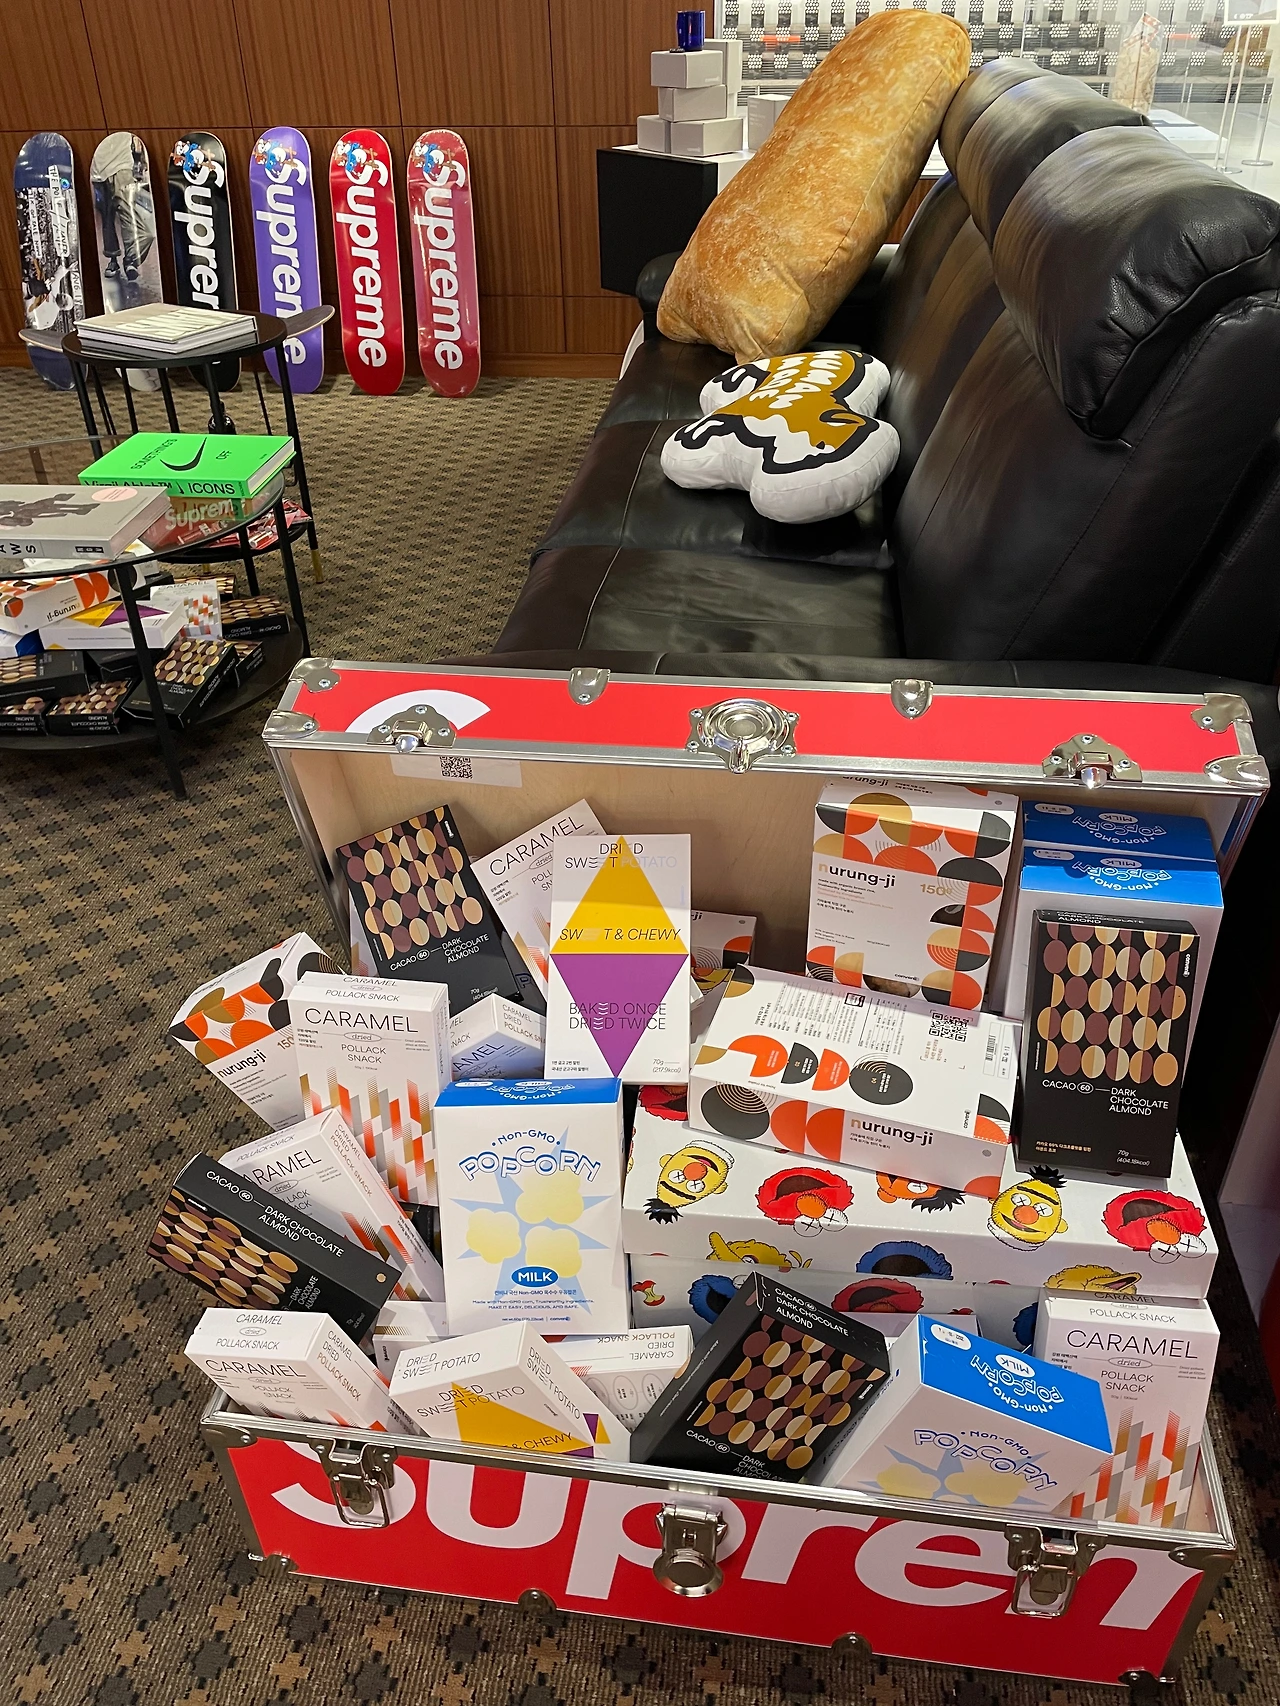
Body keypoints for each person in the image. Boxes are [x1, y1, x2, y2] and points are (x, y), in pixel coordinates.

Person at [91, 134, 154, 283]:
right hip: (97, 172)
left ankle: (131, 259)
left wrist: (140, 162)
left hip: (122, 167)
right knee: (107, 219)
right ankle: (113, 260)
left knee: (131, 217)